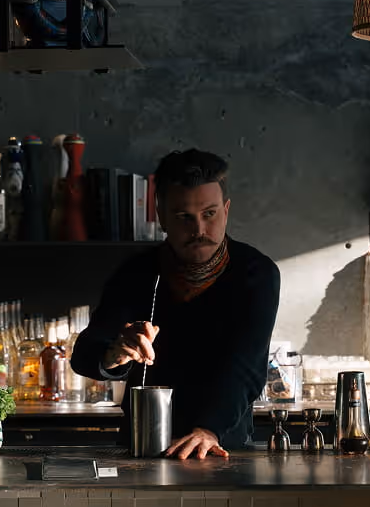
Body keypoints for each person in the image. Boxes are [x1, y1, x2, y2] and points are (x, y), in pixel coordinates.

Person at [70, 149, 281, 459]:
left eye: (209, 214)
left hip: (222, 445)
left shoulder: (256, 273)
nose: (199, 230)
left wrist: (209, 429)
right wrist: (114, 352)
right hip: (142, 446)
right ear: (161, 217)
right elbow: (85, 354)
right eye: (184, 217)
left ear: (226, 210)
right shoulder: (136, 272)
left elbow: (245, 367)